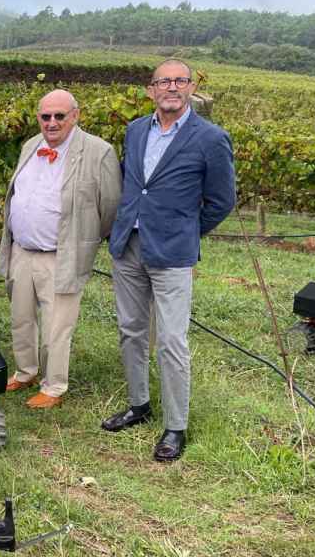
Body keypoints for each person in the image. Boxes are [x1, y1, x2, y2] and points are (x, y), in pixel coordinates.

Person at [101, 59, 236, 462]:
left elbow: (222, 201)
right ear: (151, 90)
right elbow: (132, 183)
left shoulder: (210, 138)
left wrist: (186, 232)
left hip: (172, 253)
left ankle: (175, 426)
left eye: (179, 80)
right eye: (164, 81)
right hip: (129, 245)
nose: (171, 87)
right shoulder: (135, 130)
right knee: (131, 330)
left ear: (191, 87)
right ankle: (138, 404)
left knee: (173, 341)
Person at [0, 89, 122, 409]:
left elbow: (109, 207)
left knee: (56, 326)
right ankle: (26, 371)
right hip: (23, 250)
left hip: (60, 255)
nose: (52, 122)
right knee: (21, 317)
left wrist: (85, 240)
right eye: (45, 116)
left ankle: (54, 387)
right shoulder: (30, 145)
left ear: (75, 116)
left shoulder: (98, 152)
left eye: (59, 116)